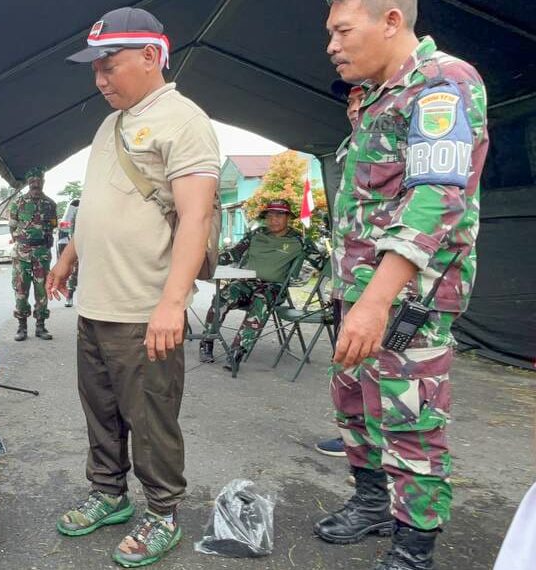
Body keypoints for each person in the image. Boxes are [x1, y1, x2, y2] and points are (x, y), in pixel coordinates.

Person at [317, 1, 489, 568]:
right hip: (359, 289)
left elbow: (436, 196)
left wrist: (376, 300)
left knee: (410, 418)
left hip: (405, 297)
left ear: (391, 21)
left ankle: (414, 547)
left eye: (342, 31)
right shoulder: (373, 96)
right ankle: (371, 503)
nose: (332, 46)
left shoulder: (441, 83)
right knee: (355, 403)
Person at [47, 7, 220, 567]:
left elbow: (195, 218)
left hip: (145, 306)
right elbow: (98, 201)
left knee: (150, 420)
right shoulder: (111, 124)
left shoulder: (184, 121)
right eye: (94, 69)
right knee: (100, 410)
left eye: (109, 65)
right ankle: (108, 494)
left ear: (150, 56)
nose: (99, 79)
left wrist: (173, 302)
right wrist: (68, 257)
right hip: (97, 303)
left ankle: (163, 512)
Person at [198, 199, 324, 369]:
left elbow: (323, 264)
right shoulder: (256, 234)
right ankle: (207, 343)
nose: (273, 220)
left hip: (273, 288)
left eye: (279, 215)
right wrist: (204, 263)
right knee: (223, 296)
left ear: (288, 217)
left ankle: (237, 351)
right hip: (246, 284)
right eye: (270, 216)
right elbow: (234, 254)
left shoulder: (300, 240)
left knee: (260, 300)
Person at [315, 81, 365, 459]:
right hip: (347, 275)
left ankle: (381, 449)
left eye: (362, 98)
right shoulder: (348, 147)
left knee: (382, 370)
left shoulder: (399, 141)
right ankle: (355, 439)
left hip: (378, 279)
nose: (353, 106)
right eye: (350, 100)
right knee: (347, 362)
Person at [9, 167, 58, 341]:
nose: (35, 184)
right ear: (28, 183)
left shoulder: (50, 204)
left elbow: (53, 226)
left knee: (41, 291)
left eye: (38, 181)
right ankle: (22, 327)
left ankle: (40, 326)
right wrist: (22, 242)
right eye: (32, 181)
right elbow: (12, 226)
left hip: (42, 255)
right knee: (21, 290)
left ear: (43, 182)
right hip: (22, 255)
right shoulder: (18, 202)